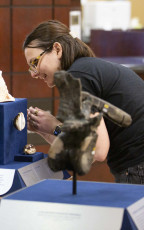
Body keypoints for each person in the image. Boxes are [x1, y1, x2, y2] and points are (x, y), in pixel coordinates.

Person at [23, 20, 144, 184]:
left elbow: (98, 151)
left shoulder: (78, 75)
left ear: (57, 49)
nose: (33, 74)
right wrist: (42, 129)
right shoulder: (84, 70)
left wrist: (55, 126)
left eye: (35, 63)